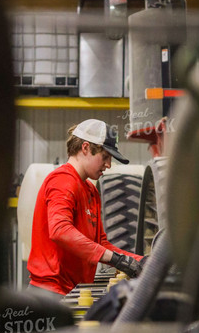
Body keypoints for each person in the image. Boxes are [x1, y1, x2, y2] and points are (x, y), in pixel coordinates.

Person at [28, 119, 144, 297]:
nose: (109, 165)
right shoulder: (62, 180)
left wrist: (142, 261)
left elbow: (101, 244)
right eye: (105, 157)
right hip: (51, 293)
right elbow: (60, 230)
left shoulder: (90, 190)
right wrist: (114, 259)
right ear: (85, 148)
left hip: (74, 292)